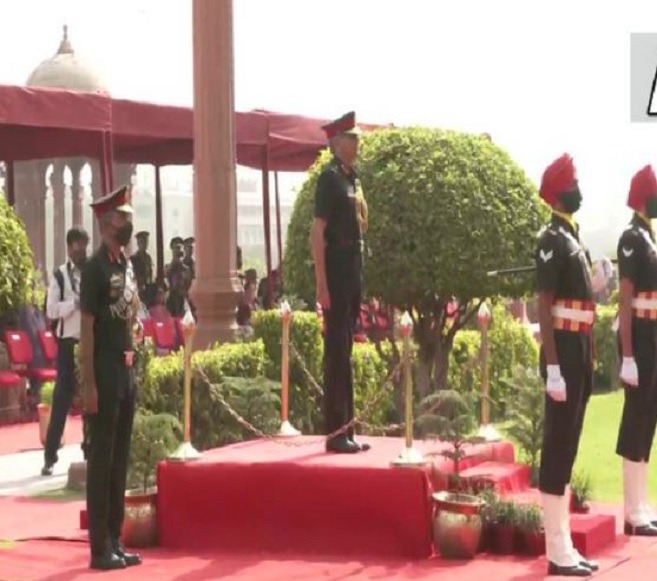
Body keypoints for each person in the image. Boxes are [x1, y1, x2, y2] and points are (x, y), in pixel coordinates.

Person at [535, 153, 599, 576]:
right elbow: (544, 306)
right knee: (557, 447)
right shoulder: (551, 239)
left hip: (580, 349)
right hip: (562, 351)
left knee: (569, 445)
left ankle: (566, 544)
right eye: (573, 183)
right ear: (560, 192)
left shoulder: (572, 237)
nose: (578, 189)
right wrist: (553, 367)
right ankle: (556, 549)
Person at [79, 185, 142, 571]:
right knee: (101, 459)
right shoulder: (94, 269)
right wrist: (89, 384)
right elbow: (87, 329)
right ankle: (99, 546)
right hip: (102, 367)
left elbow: (130, 317)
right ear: (106, 224)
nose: (128, 225)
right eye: (122, 219)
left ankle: (116, 538)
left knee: (120, 458)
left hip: (126, 366)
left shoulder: (125, 265)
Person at [310, 111, 370, 454]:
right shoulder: (329, 179)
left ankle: (348, 426)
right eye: (352, 138)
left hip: (352, 267)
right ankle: (335, 432)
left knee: (346, 348)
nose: (357, 143)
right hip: (335, 267)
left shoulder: (352, 179)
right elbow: (317, 232)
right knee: (335, 351)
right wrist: (322, 283)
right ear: (336, 143)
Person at [616, 165, 657, 536]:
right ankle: (632, 509)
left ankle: (643, 503)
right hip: (640, 337)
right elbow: (625, 299)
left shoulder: (649, 237)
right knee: (636, 419)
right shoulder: (632, 237)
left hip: (653, 337)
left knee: (649, 419)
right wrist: (627, 354)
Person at [41, 226, 89, 476]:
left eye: (85, 246)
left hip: (90, 343)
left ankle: (89, 451)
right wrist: (74, 304)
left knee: (92, 397)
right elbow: (51, 310)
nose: (81, 252)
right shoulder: (60, 276)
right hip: (68, 343)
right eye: (77, 247)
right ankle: (50, 455)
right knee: (62, 399)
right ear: (70, 248)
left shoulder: (92, 272)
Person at [165, 237, 191, 317]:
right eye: (176, 248)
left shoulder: (186, 269)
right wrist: (174, 262)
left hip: (182, 301)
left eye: (180, 248)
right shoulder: (167, 267)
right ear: (172, 250)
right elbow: (165, 279)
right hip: (171, 301)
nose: (178, 251)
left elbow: (188, 285)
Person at [130, 231, 153, 306]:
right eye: (142, 242)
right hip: (137, 290)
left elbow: (150, 273)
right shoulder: (133, 259)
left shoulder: (148, 258)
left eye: (146, 242)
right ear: (138, 244)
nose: (144, 245)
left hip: (148, 290)